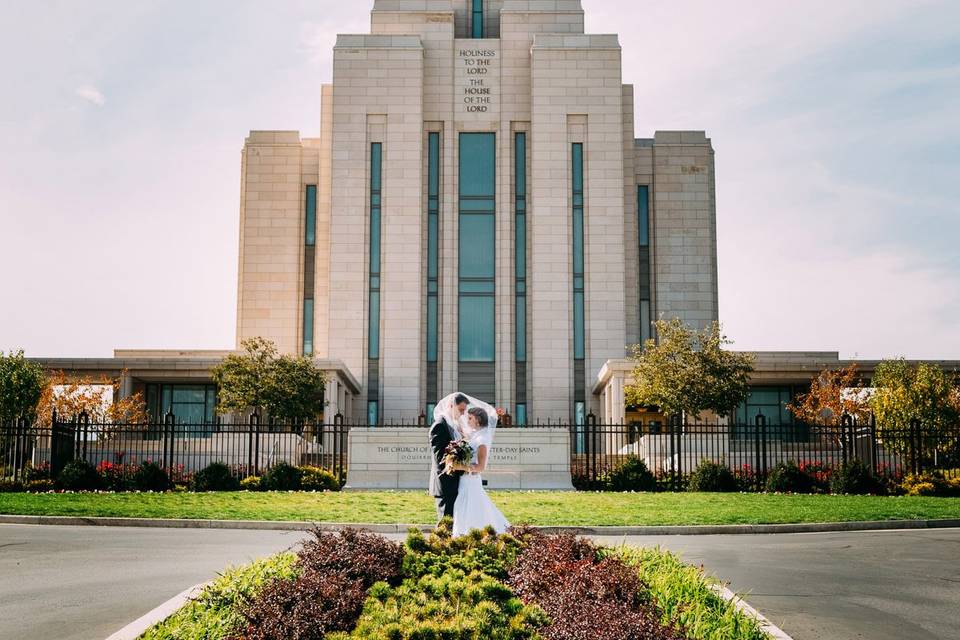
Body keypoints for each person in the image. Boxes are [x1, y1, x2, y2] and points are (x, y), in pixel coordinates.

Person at [446, 398, 510, 537]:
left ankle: (473, 535)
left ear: (478, 421)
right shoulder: (475, 436)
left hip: (471, 481)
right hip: (465, 481)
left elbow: (480, 467)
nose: (467, 421)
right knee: (468, 508)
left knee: (472, 508)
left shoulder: (482, 441)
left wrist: (459, 466)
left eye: (470, 418)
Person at [429, 393, 469, 522]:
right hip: (445, 484)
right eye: (461, 410)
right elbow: (441, 458)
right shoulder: (440, 426)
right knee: (445, 524)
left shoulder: (454, 426)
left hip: (456, 483)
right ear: (451, 406)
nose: (463, 414)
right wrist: (463, 465)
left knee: (454, 525)